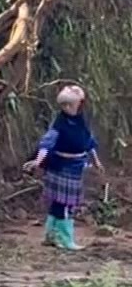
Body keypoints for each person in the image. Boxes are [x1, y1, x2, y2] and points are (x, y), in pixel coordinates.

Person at [25, 84, 104, 251]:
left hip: (76, 166)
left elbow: (88, 142)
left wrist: (96, 161)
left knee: (60, 204)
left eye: (76, 103)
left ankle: (50, 236)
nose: (72, 107)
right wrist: (38, 161)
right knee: (64, 204)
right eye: (66, 105)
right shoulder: (59, 123)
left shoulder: (81, 120)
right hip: (60, 167)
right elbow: (46, 144)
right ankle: (66, 239)